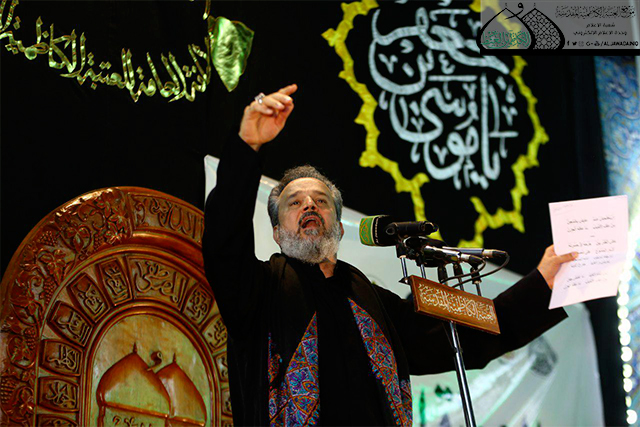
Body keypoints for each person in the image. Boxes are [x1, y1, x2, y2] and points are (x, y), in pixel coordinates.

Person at [203, 84, 576, 426]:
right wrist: (246, 147)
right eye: (294, 202)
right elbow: (225, 239)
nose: (310, 206)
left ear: (338, 226)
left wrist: (541, 284)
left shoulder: (370, 298)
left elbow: (464, 335)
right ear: (276, 231)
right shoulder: (257, 289)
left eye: (321, 201)